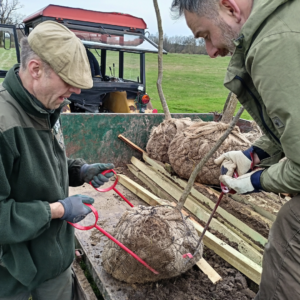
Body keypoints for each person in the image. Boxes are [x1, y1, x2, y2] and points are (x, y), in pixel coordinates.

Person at [171, 0, 300, 299]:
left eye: (205, 35)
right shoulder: (284, 18)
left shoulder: (272, 45)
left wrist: (256, 181)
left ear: (229, 7)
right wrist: (252, 155)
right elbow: (292, 131)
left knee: (291, 228)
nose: (210, 51)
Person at [0, 21, 114, 299]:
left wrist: (79, 170)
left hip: (54, 260)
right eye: (68, 82)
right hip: (14, 269)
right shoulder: (4, 124)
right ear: (36, 69)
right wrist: (58, 211)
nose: (74, 93)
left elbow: (36, 169)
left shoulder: (45, 106)